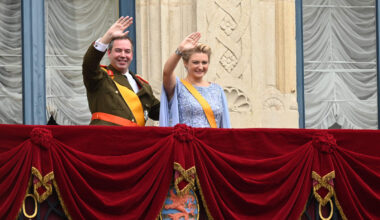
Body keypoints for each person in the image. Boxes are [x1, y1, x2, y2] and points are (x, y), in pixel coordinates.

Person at [82, 16, 160, 126]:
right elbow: (89, 64)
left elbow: (161, 112)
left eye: (127, 51)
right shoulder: (100, 77)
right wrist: (107, 37)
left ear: (132, 55)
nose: (123, 55)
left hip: (135, 141)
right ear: (109, 53)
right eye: (118, 51)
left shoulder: (144, 86)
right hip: (106, 139)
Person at [159, 32, 230, 128]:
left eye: (204, 62)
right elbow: (167, 72)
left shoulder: (218, 90)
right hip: (187, 142)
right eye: (195, 62)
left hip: (212, 142)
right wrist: (180, 50)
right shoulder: (178, 86)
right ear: (185, 63)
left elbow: (224, 125)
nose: (200, 67)